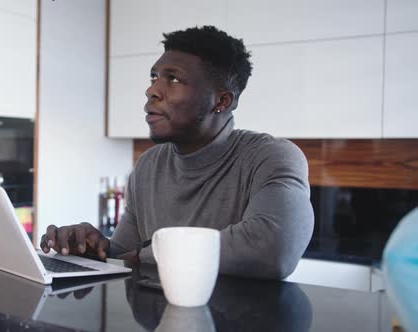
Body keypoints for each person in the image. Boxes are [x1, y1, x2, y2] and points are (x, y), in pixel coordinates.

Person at [40, 26, 314, 279]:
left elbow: (273, 248)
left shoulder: (271, 157)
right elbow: (124, 252)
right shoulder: (148, 165)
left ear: (222, 100)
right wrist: (94, 249)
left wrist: (144, 254)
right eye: (154, 77)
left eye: (173, 78)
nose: (151, 90)